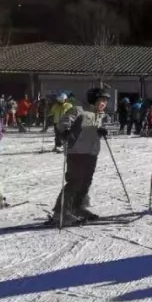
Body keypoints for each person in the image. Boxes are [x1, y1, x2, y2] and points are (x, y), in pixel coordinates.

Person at [52, 87, 110, 223]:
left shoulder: (101, 115)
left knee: (86, 182)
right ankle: (60, 212)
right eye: (101, 100)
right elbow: (63, 122)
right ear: (93, 99)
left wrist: (101, 131)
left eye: (105, 102)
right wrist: (65, 131)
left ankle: (77, 207)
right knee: (75, 181)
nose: (103, 104)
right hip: (77, 151)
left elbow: (93, 130)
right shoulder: (79, 110)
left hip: (92, 151)